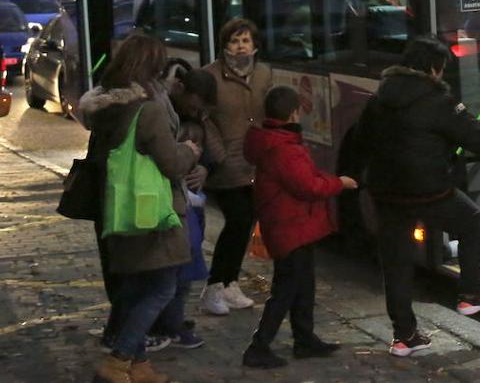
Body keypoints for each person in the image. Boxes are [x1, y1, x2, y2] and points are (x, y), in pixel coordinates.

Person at [350, 36, 480, 357]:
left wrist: (362, 180)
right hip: (428, 189)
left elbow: (360, 142)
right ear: (433, 69)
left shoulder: (379, 99)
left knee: (396, 263)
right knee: (472, 221)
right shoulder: (438, 101)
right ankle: (472, 292)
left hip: (386, 192)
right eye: (442, 70)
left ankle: (404, 336)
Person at [79, 33, 200, 383]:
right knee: (162, 286)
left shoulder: (104, 108)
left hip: (118, 207)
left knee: (133, 287)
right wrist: (190, 151)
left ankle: (138, 364)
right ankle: (119, 360)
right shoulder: (146, 110)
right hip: (151, 210)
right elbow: (172, 162)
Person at [241, 86, 359, 369]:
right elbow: (307, 185)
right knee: (286, 288)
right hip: (290, 226)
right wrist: (339, 184)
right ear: (293, 112)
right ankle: (258, 346)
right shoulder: (283, 147)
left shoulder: (276, 140)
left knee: (304, 283)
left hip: (293, 225)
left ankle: (304, 339)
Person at [200, 18, 272, 316]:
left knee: (246, 222)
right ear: (224, 45)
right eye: (234, 41)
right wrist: (218, 153)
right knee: (237, 219)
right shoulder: (210, 76)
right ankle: (214, 286)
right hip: (226, 163)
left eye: (245, 40)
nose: (240, 46)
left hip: (255, 161)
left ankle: (230, 283)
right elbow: (202, 118)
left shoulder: (264, 74)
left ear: (254, 45)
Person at [148, 68, 223, 350]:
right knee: (177, 265)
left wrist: (204, 167)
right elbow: (167, 157)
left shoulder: (194, 118)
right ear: (181, 91)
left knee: (183, 264)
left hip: (190, 198)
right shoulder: (164, 115)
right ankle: (169, 323)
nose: (197, 111)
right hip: (172, 199)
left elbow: (215, 154)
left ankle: (172, 320)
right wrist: (188, 156)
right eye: (194, 105)